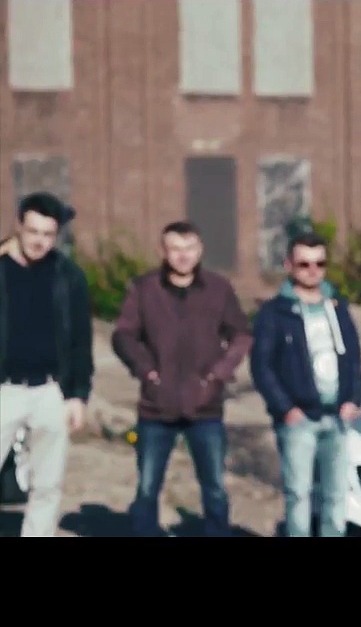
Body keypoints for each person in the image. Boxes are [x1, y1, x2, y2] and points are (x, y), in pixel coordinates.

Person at [111, 221, 253, 537]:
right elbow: (123, 335)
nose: (183, 255)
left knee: (214, 487)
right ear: (163, 251)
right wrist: (147, 372)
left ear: (200, 250)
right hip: (156, 407)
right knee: (147, 488)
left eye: (189, 248)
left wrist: (217, 375)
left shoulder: (218, 288)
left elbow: (241, 334)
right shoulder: (144, 288)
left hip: (205, 407)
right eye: (175, 248)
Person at [250, 231, 361, 537]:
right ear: (289, 265)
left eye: (319, 263)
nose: (313, 270)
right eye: (304, 264)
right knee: (299, 494)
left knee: (336, 494)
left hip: (337, 417)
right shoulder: (275, 313)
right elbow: (261, 366)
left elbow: (353, 358)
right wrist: (285, 408)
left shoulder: (337, 307)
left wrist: (353, 399)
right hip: (298, 420)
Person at [0, 193, 92, 537]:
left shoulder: (68, 276)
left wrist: (78, 395)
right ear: (19, 227)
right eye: (33, 231)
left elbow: (81, 341)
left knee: (48, 485)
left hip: (51, 391)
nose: (39, 241)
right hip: (4, 389)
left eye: (48, 234)